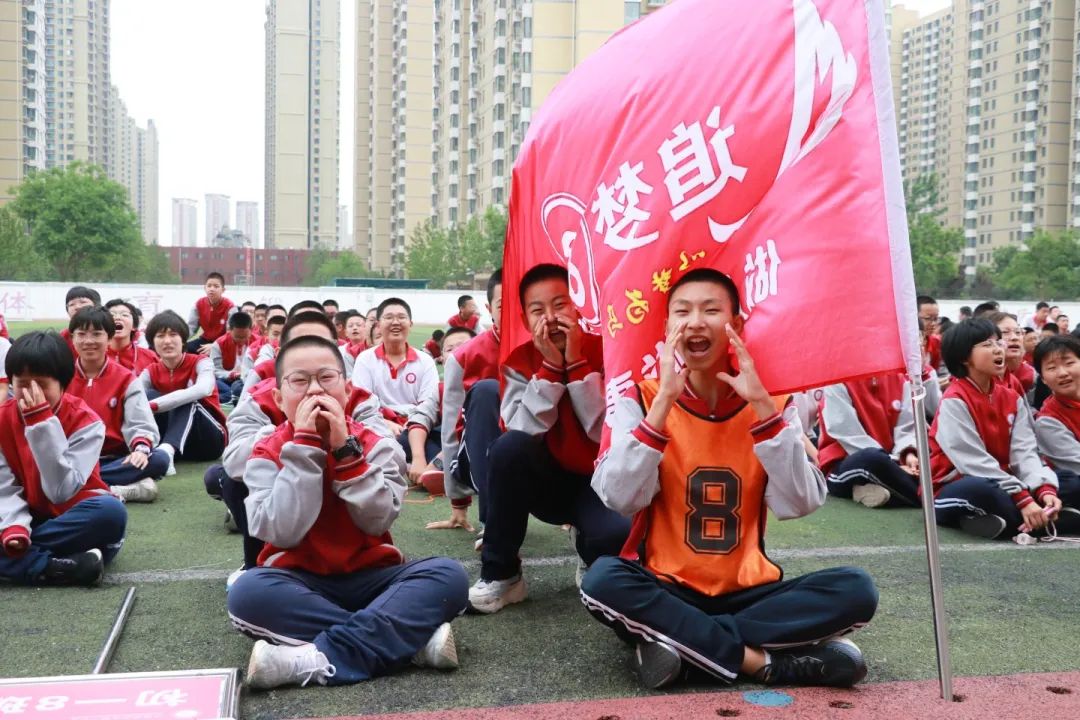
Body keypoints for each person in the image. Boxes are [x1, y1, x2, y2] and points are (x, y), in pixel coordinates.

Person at [581, 268, 877, 690]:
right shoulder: (643, 398)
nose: (696, 321)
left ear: (736, 325)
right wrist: (663, 403)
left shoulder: (772, 401)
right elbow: (619, 497)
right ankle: (761, 662)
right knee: (603, 580)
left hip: (749, 590)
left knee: (856, 589)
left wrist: (762, 408)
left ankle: (680, 643)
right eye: (683, 311)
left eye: (711, 310)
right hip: (667, 585)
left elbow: (801, 502)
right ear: (667, 328)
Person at [226, 335, 468, 689]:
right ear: (279, 398)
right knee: (248, 593)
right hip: (298, 581)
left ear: (346, 389)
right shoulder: (265, 449)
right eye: (299, 381)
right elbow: (281, 532)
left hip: (373, 577)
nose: (314, 391)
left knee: (449, 575)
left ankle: (311, 659)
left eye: (326, 378)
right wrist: (306, 446)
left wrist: (345, 453)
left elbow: (378, 519)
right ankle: (407, 643)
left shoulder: (377, 445)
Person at [468, 264, 630, 614]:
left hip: (599, 481)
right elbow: (521, 431)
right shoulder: (517, 361)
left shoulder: (608, 350)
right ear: (525, 320)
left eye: (560, 305)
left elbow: (604, 432)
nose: (551, 318)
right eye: (538, 310)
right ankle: (503, 572)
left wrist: (576, 365)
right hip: (545, 481)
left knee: (613, 538)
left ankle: (589, 548)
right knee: (509, 449)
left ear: (579, 307)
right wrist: (551, 370)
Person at [206, 312, 390, 584]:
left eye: (320, 345)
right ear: (284, 351)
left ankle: (347, 610)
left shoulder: (358, 398)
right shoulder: (262, 397)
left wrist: (343, 443)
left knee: (445, 576)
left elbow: (384, 450)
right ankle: (256, 564)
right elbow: (234, 461)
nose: (315, 389)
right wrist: (294, 439)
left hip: (352, 524)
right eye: (301, 344)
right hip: (283, 503)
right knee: (228, 478)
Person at [0, 331, 127, 586]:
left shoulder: (87, 422)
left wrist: (40, 422)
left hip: (70, 517)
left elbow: (60, 491)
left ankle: (17, 558)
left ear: (63, 383)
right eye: (23, 383)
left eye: (42, 384)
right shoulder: (2, 418)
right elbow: (4, 487)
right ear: (11, 383)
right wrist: (15, 528)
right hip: (21, 517)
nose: (31, 392)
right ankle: (53, 566)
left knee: (111, 512)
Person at [929, 319, 1068, 539]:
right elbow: (972, 462)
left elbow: (1024, 452)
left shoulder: (1012, 397)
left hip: (1006, 481)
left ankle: (1025, 517)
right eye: (987, 344)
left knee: (1067, 480)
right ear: (964, 357)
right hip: (960, 483)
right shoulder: (954, 400)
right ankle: (1038, 517)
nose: (998, 349)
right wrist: (1023, 497)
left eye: (997, 342)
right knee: (981, 491)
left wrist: (1043, 489)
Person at [66, 307, 169, 503]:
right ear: (72, 338)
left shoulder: (125, 378)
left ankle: (83, 488)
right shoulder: (61, 376)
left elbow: (140, 422)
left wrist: (140, 448)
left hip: (112, 459)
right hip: (72, 457)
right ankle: (116, 489)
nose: (88, 341)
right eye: (81, 334)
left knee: (159, 459)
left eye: (97, 334)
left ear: (109, 337)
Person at [429, 270, 505, 535]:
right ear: (489, 308)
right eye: (503, 306)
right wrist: (458, 502)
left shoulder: (549, 345)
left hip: (534, 451)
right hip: (483, 452)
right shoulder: (464, 357)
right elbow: (451, 429)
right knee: (486, 392)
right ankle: (493, 522)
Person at [141, 310, 228, 474]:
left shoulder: (201, 362)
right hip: (179, 445)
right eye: (160, 336)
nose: (167, 341)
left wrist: (155, 405)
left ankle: (166, 453)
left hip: (208, 441)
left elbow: (204, 388)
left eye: (173, 335)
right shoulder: (150, 371)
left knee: (188, 399)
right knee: (146, 395)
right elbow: (132, 400)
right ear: (152, 342)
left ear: (183, 339)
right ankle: (155, 449)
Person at [817, 371, 920, 509]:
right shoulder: (837, 381)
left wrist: (908, 455)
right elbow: (848, 434)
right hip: (847, 461)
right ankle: (927, 499)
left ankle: (874, 492)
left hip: (892, 461)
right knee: (872, 458)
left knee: (925, 461)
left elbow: (906, 428)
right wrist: (894, 464)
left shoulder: (901, 379)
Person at [351, 298, 439, 445]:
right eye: (389, 317)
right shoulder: (365, 359)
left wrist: (413, 425)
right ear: (378, 325)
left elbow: (429, 405)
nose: (396, 322)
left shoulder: (425, 361)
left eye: (401, 317)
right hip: (378, 427)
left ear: (410, 324)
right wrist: (386, 423)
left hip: (418, 427)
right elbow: (361, 403)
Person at [404, 326, 476, 488]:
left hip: (478, 446)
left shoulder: (488, 387)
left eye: (464, 346)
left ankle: (442, 472)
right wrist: (418, 458)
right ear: (442, 359)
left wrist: (438, 462)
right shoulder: (441, 389)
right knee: (406, 438)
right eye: (450, 349)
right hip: (448, 447)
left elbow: (473, 432)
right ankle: (432, 472)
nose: (457, 352)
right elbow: (421, 417)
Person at [1032, 334, 1080, 527]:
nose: (1062, 373)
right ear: (1043, 379)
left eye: (1069, 363)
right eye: (1052, 368)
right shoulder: (1048, 421)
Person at [210, 312, 255, 405]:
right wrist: (231, 375)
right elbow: (215, 370)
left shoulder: (259, 343)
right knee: (214, 384)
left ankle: (231, 397)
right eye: (238, 337)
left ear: (251, 330)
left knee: (236, 389)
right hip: (226, 380)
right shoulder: (218, 344)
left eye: (245, 337)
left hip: (250, 380)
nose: (241, 340)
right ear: (229, 330)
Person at [186, 272, 237, 354]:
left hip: (223, 343)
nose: (211, 289)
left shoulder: (230, 307)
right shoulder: (198, 305)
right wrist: (180, 340)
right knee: (184, 348)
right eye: (209, 286)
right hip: (204, 340)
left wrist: (215, 346)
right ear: (205, 288)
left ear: (223, 290)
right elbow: (191, 327)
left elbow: (231, 334)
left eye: (216, 286)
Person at [989, 312, 1035, 395]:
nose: (1014, 338)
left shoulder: (1030, 375)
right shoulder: (981, 379)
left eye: (1018, 332)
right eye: (1005, 332)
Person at [105, 300, 155, 375]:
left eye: (124, 315)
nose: (117, 318)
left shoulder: (150, 357)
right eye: (111, 315)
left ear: (134, 326)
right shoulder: (94, 355)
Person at [59, 286, 101, 355]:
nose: (77, 307)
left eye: (83, 302)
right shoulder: (63, 336)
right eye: (72, 304)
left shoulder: (106, 331)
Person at [917, 295, 942, 373]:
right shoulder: (901, 345)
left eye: (935, 319)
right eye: (928, 318)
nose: (933, 323)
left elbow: (934, 373)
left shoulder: (936, 342)